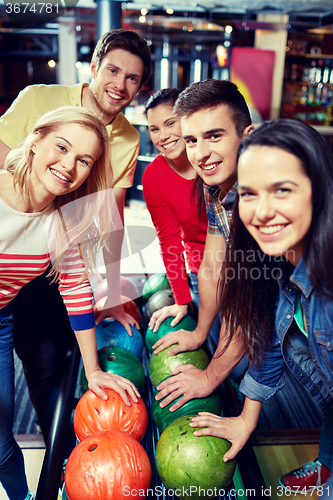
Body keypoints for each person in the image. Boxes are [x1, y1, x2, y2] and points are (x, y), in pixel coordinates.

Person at [0, 28, 152, 444]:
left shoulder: (128, 138)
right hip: (16, 242)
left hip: (58, 254)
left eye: (133, 78)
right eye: (113, 70)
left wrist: (115, 290)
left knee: (54, 355)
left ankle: (66, 448)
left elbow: (111, 215)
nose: (120, 85)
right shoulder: (39, 100)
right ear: (94, 67)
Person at [0, 106, 140, 500]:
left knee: (0, 440)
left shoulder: (62, 220)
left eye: (83, 160)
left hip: (1, 320)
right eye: (61, 147)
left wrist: (93, 372)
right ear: (36, 140)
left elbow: (76, 292)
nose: (68, 166)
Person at [189, 119, 333, 494]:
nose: (261, 212)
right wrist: (246, 418)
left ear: (319, 190)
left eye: (282, 190)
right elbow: (269, 334)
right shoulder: (281, 259)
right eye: (250, 194)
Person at [152, 79, 253, 411]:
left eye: (214, 136)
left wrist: (209, 378)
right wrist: (198, 333)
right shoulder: (216, 190)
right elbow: (211, 267)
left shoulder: (259, 201)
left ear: (247, 136)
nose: (201, 153)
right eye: (191, 140)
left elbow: (245, 307)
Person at [142, 88, 221, 345]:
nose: (162, 136)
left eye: (169, 123)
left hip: (242, 264)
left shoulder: (211, 161)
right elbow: (169, 241)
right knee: (214, 344)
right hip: (201, 269)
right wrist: (181, 300)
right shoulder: (154, 177)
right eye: (154, 129)